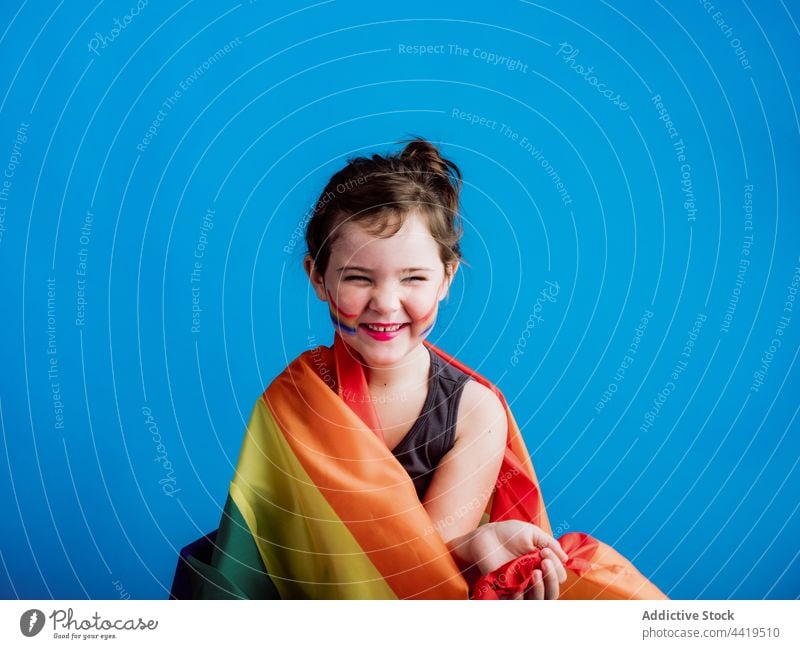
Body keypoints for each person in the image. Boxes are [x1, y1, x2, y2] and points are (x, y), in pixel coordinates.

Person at [172, 137, 667, 600]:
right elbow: (266, 554)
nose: (386, 304)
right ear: (317, 277)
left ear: (446, 279)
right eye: (358, 278)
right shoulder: (295, 401)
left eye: (413, 278)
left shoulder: (474, 412)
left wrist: (479, 543)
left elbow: (422, 572)